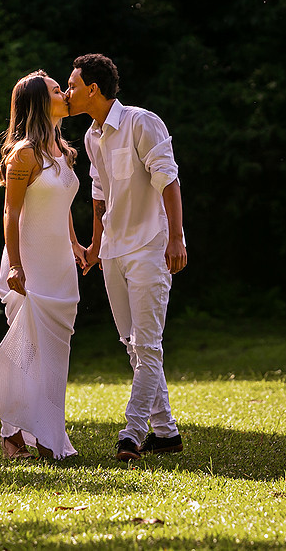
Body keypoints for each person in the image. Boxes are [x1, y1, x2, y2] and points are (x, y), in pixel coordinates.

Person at [65, 53, 188, 461]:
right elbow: (99, 194)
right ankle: (166, 432)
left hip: (151, 246)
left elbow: (168, 180)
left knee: (148, 345)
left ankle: (133, 432)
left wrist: (176, 239)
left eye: (72, 86)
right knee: (132, 344)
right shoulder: (91, 137)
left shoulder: (142, 122)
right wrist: (96, 245)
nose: (68, 93)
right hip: (115, 251)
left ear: (93, 89)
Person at [0, 70, 85, 460]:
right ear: (38, 103)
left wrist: (76, 243)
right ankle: (18, 436)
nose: (64, 93)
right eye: (55, 90)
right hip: (28, 266)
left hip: (60, 264)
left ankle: (44, 434)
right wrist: (15, 265)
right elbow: (11, 212)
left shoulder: (62, 151)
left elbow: (60, 203)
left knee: (55, 352)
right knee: (26, 351)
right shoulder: (24, 154)